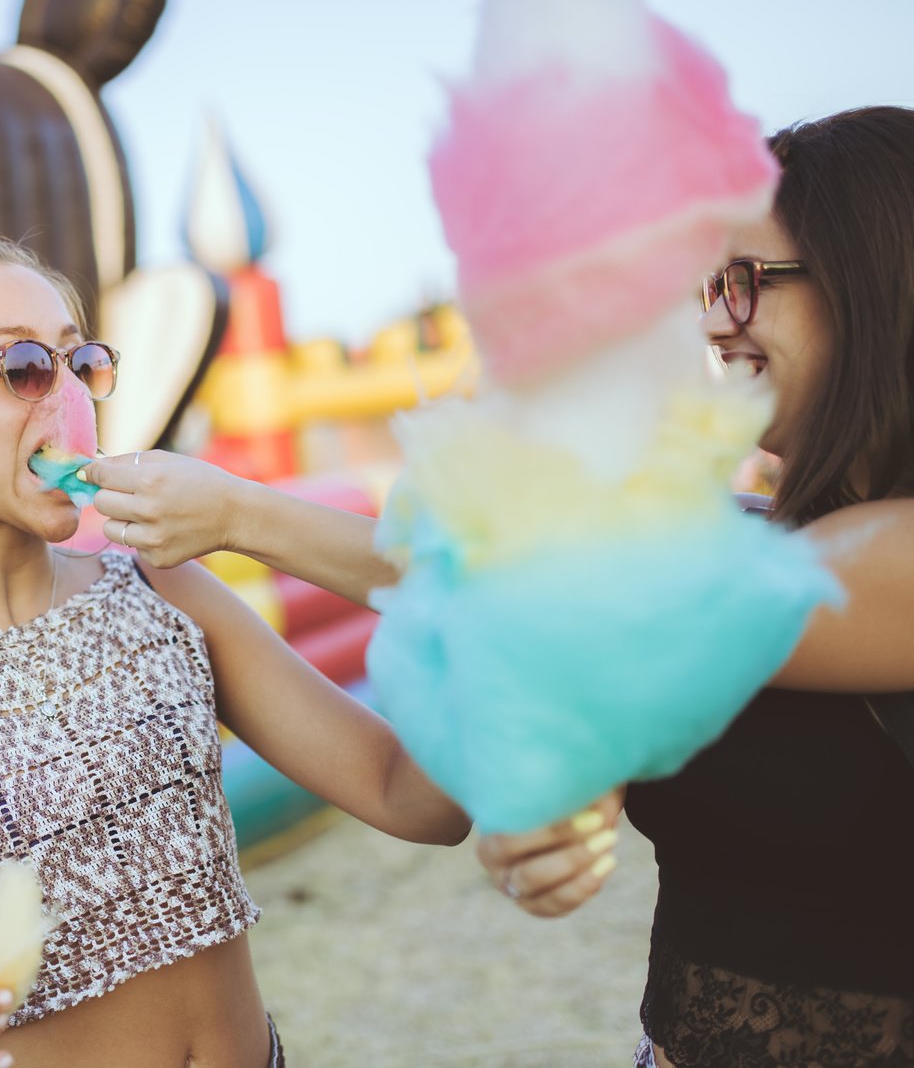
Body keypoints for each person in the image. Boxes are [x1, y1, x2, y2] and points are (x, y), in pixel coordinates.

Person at [86, 106, 914, 1068]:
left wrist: (245, 518)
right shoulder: (754, 538)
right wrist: (229, 517)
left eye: (745, 281)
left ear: (870, 282)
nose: (710, 318)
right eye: (707, 284)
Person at [0, 234, 469, 1068]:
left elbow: (419, 801)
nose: (66, 398)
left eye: (80, 362)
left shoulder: (164, 593)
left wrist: (257, 519)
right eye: (21, 365)